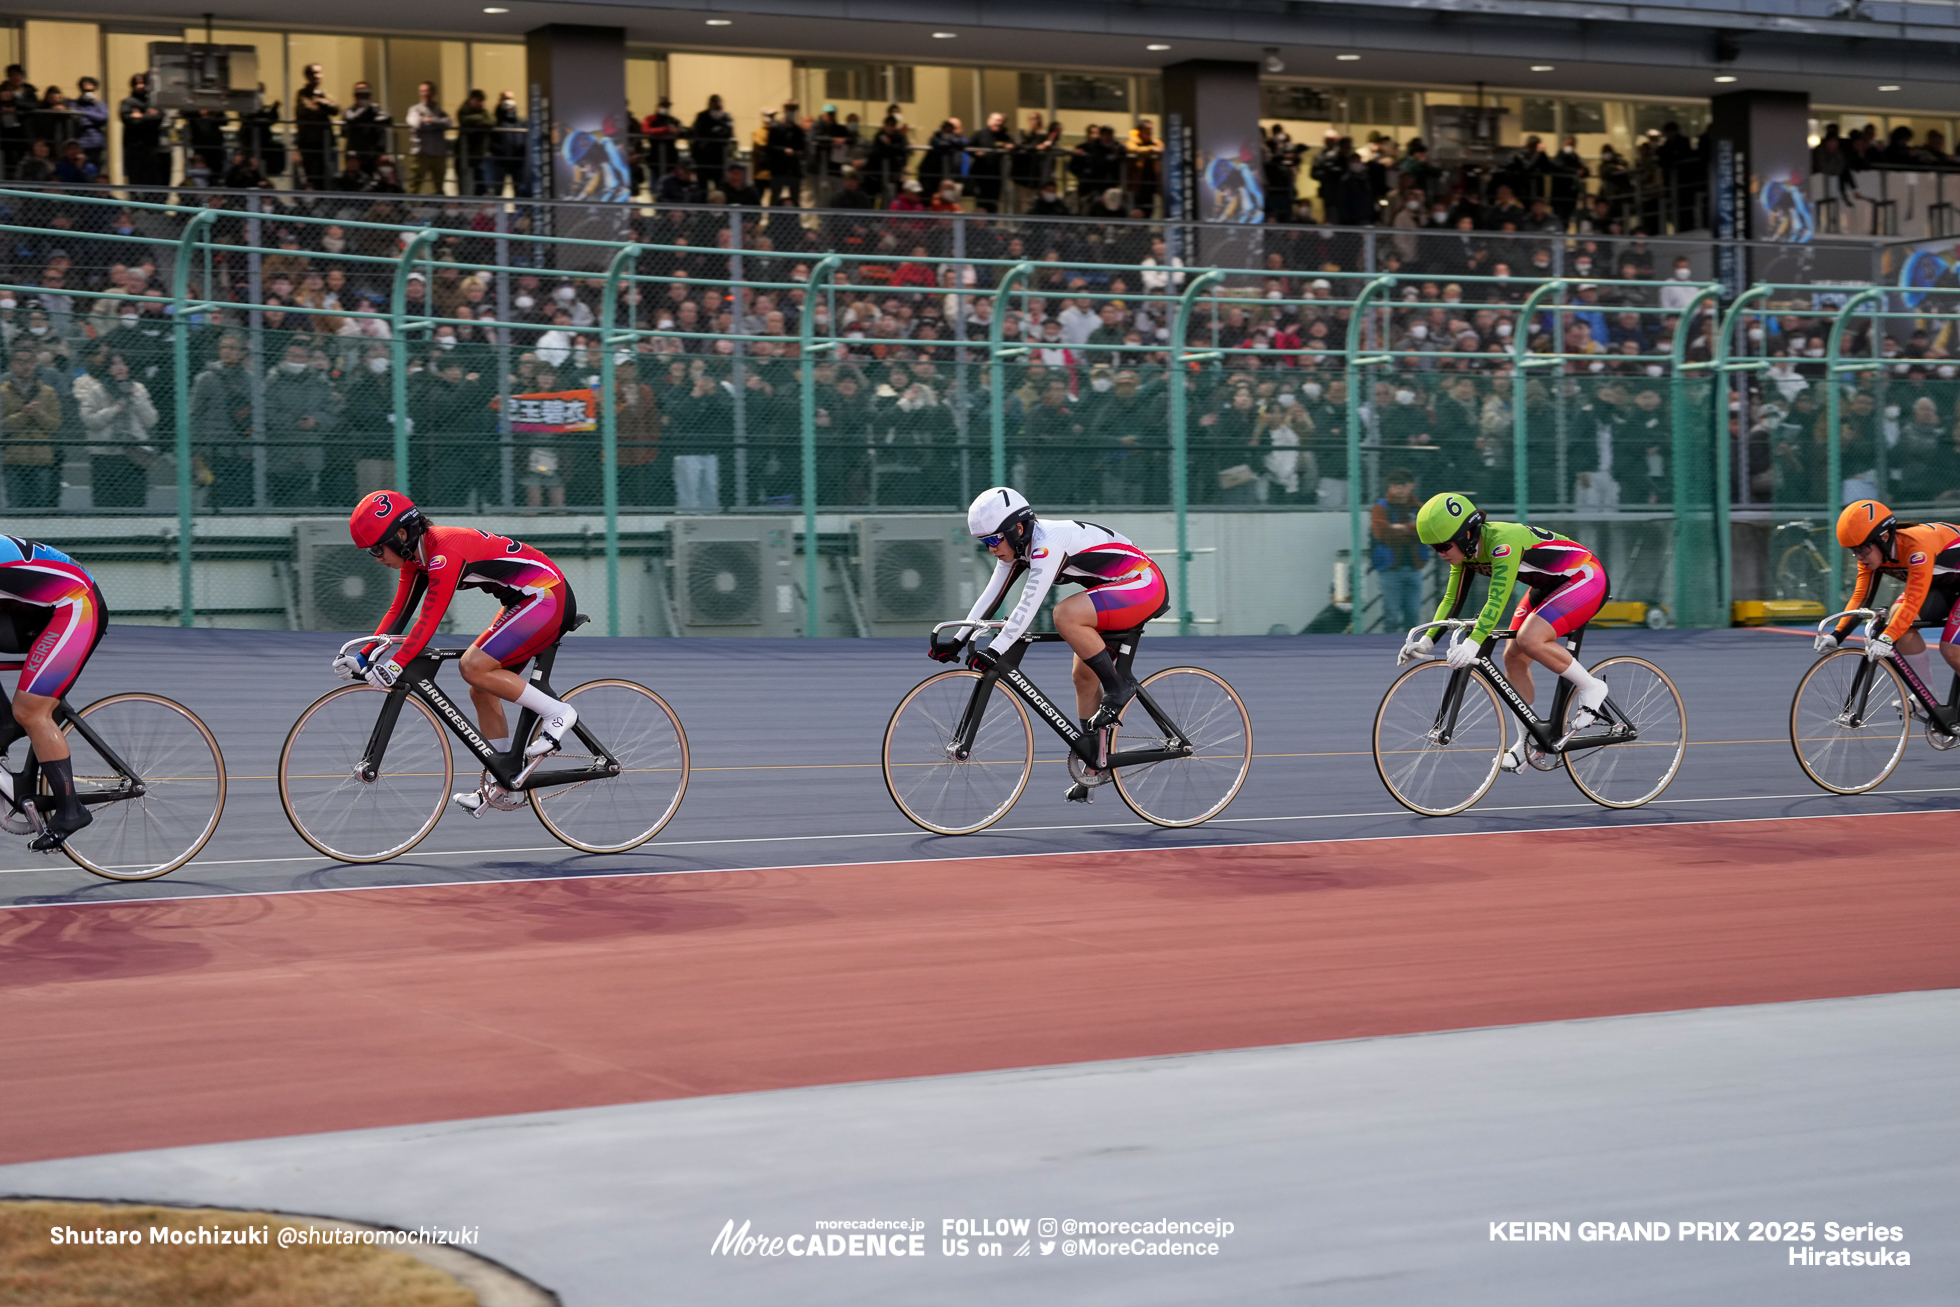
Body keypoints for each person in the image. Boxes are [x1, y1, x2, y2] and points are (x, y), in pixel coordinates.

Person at [341, 491, 582, 816]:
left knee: (473, 666)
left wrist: (396, 664)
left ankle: (558, 713)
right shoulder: (417, 558)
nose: (375, 557)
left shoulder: (443, 553)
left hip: (546, 596)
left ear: (400, 535)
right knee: (481, 687)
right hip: (524, 601)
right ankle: (504, 781)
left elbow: (428, 618)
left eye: (375, 548)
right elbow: (399, 611)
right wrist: (364, 655)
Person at [938, 487, 1170, 802]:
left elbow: (1028, 605)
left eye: (994, 540)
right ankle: (1095, 765)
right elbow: (992, 595)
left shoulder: (1046, 545)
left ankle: (1119, 688)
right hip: (1115, 590)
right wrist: (958, 639)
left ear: (1016, 529)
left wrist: (996, 650)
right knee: (1083, 676)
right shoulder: (1018, 546)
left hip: (1143, 584)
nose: (991, 548)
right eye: (984, 543)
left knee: (1065, 614)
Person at [1405, 492, 1611, 773]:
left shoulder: (1502, 543)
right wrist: (1428, 641)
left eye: (1443, 545)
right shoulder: (1464, 555)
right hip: (1547, 585)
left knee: (1530, 639)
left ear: (1467, 534)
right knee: (1512, 656)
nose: (1440, 553)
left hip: (1585, 577)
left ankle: (1591, 686)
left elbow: (1497, 599)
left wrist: (1473, 643)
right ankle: (1527, 743)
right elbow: (1452, 600)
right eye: (1434, 548)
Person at [0, 537, 110, 849]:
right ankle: (5, 724)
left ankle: (70, 810)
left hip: (76, 608)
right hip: (37, 608)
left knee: (31, 710)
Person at [1817, 500, 1960, 695]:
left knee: (1952, 650)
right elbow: (1861, 597)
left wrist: (1886, 638)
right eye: (1854, 551)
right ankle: (1924, 694)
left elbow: (1913, 600)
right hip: (1946, 583)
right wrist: (1837, 635)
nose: (1859, 556)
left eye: (1862, 549)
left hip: (1947, 581)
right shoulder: (1872, 554)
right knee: (1897, 617)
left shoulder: (1916, 547)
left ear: (1883, 538)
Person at [1371, 469, 1426, 635]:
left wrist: (1401, 528)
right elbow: (1383, 534)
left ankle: (1409, 647)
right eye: (1395, 485)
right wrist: (1411, 531)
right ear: (1390, 487)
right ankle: (1389, 648)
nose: (1399, 489)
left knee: (1414, 615)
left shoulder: (1418, 507)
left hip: (1414, 568)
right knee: (1391, 615)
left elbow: (1425, 532)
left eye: (1403, 485)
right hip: (1390, 569)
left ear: (1411, 486)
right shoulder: (1380, 508)